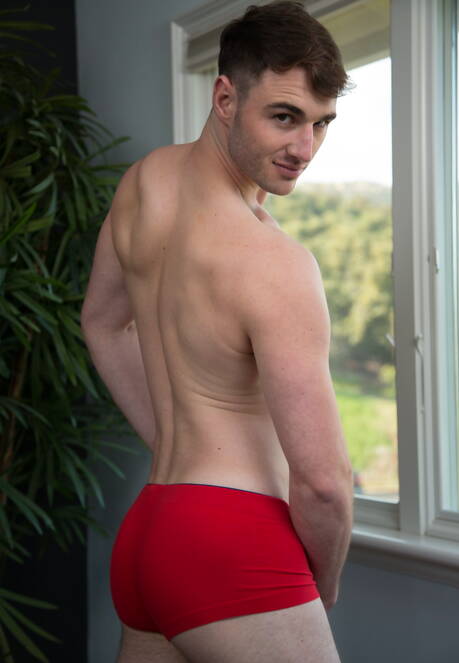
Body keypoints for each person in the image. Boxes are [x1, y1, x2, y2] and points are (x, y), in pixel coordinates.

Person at [81, 1, 354, 661]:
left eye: (321, 123)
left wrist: (175, 446)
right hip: (233, 545)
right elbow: (324, 481)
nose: (305, 148)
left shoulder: (145, 182)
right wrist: (324, 583)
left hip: (152, 528)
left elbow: (102, 323)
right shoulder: (274, 262)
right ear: (225, 98)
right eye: (284, 117)